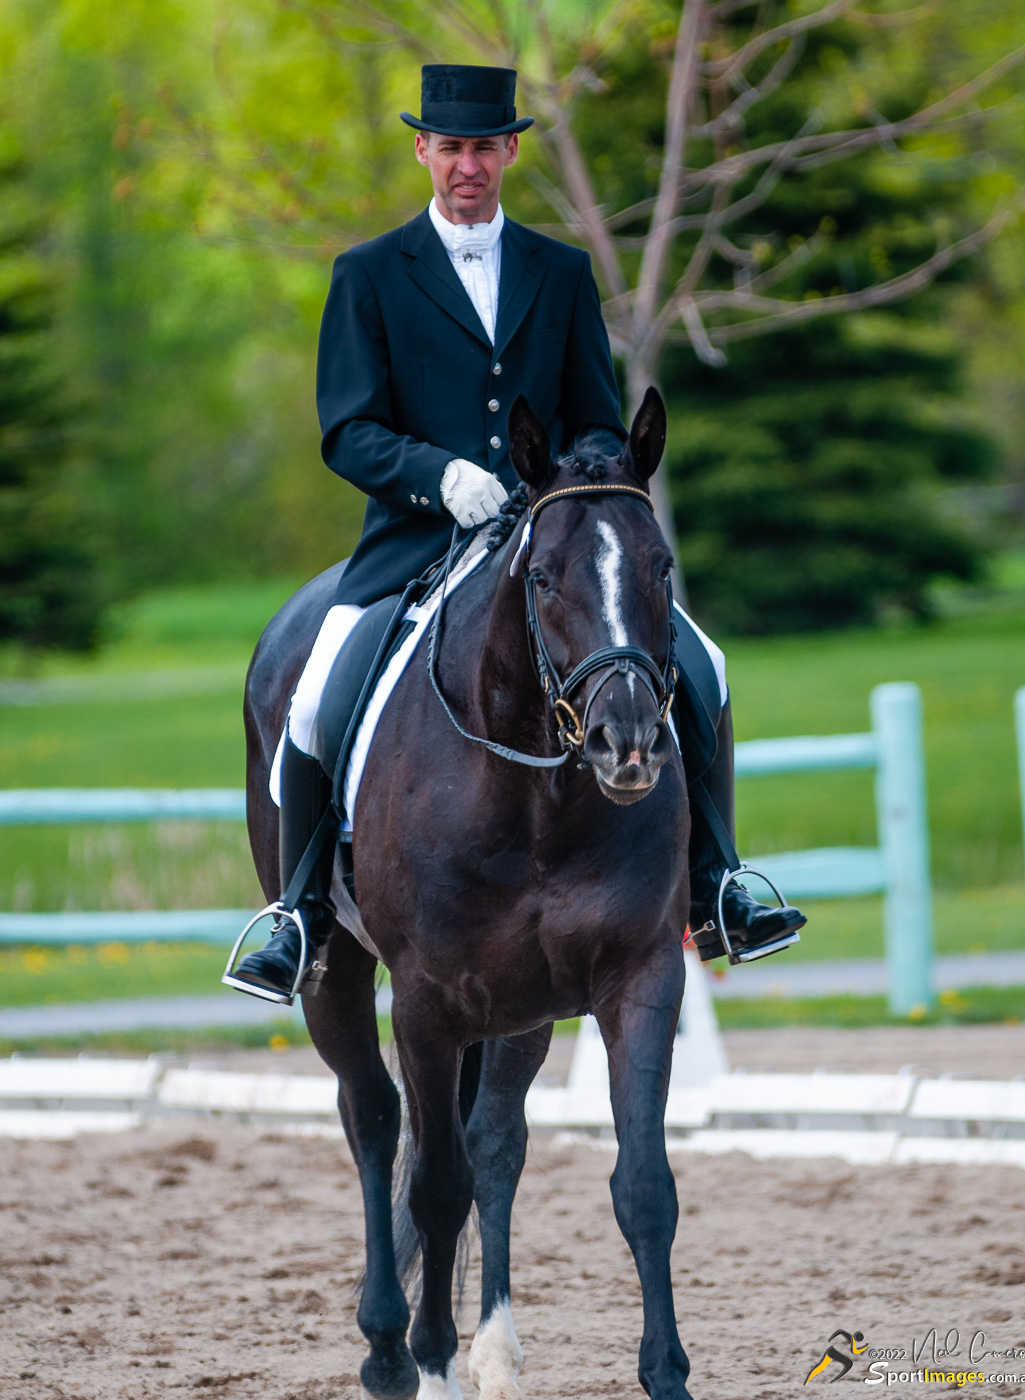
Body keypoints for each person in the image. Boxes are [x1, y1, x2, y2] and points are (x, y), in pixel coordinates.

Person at [231, 64, 805, 1000]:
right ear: (424, 150)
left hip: (554, 536)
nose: (468, 165)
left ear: (509, 152)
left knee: (703, 664)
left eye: (484, 147)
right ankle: (296, 911)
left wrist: (569, 481)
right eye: (451, 147)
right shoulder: (369, 274)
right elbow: (349, 429)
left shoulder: (560, 270)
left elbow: (593, 414)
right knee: (310, 698)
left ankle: (719, 884)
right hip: (417, 542)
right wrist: (441, 476)